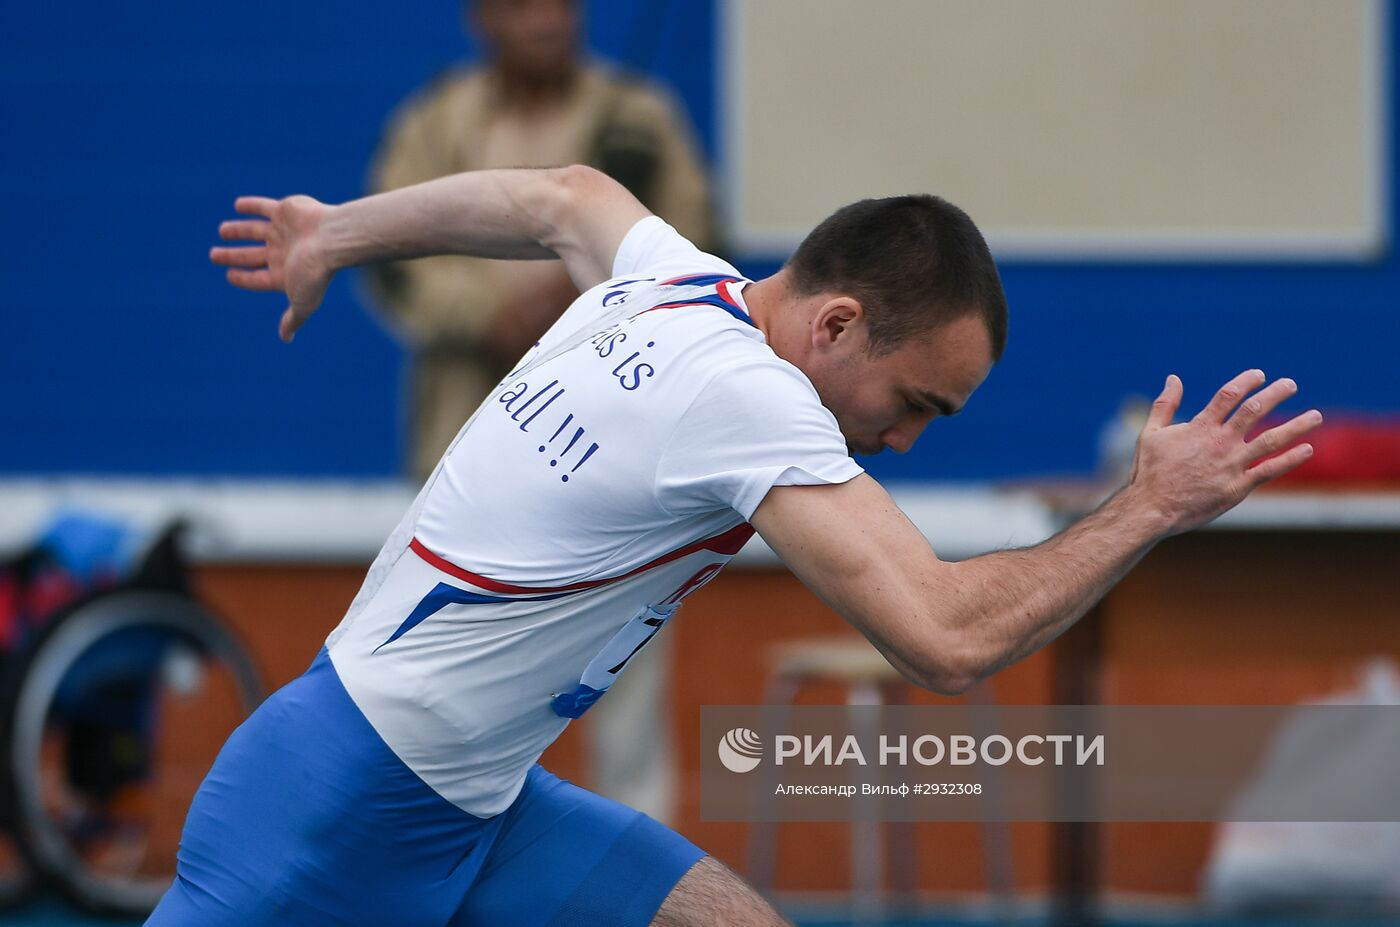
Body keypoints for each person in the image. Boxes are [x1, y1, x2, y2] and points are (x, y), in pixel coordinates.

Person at [180, 165, 1321, 926]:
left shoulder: (675, 278)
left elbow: (561, 197)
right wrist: (1148, 507)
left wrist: (337, 231)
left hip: (472, 802)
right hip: (333, 810)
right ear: (832, 325)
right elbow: (942, 638)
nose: (905, 442)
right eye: (915, 400)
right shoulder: (747, 398)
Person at [368, 0, 712, 481]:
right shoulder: (434, 123)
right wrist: (489, 317)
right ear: (482, 18)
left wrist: (586, 304)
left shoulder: (638, 117)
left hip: (610, 423)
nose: (547, 22)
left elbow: (696, 248)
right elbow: (392, 257)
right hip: (464, 416)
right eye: (522, 7)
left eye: (562, 6)